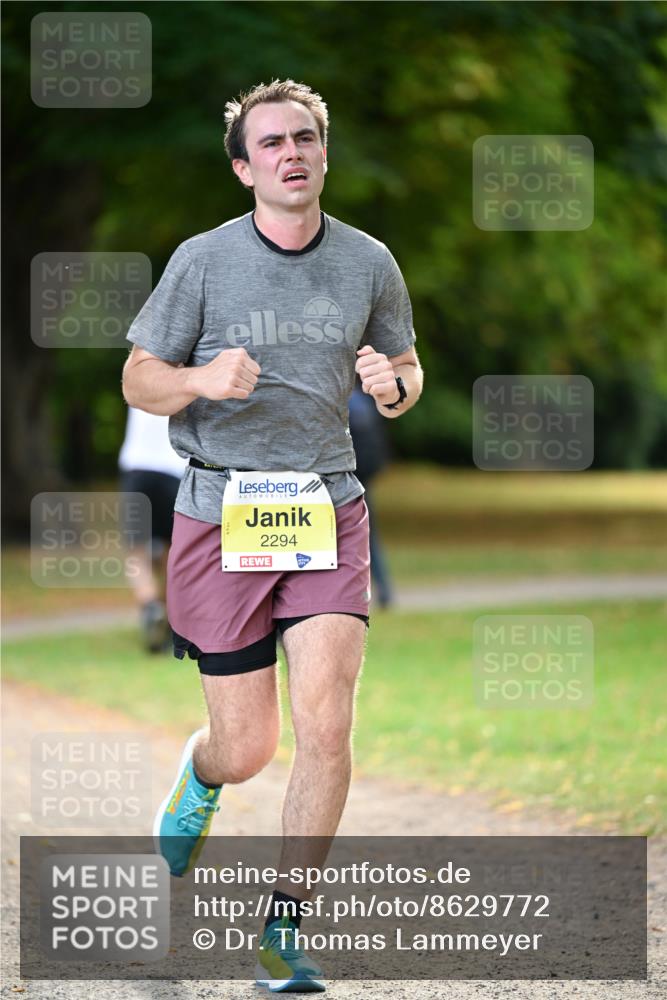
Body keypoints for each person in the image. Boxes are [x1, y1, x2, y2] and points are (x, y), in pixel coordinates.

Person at [122, 79, 423, 993]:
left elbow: (406, 370)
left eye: (305, 138)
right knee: (247, 746)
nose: (291, 153)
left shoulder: (368, 261)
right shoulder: (203, 261)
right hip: (220, 513)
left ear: (323, 153)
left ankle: (282, 930)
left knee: (326, 721)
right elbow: (138, 379)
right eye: (271, 143)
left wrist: (391, 387)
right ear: (243, 168)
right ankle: (202, 774)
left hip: (326, 507)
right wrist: (199, 381)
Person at [118, 407, 187, 651]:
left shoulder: (141, 383)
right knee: (171, 552)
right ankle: (170, 619)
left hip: (137, 469)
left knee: (136, 551)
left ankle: (150, 605)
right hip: (174, 471)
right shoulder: (193, 385)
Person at [348, 382, 394, 607]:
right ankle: (384, 589)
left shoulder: (343, 403)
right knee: (368, 535)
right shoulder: (365, 402)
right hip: (365, 478)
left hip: (347, 478)